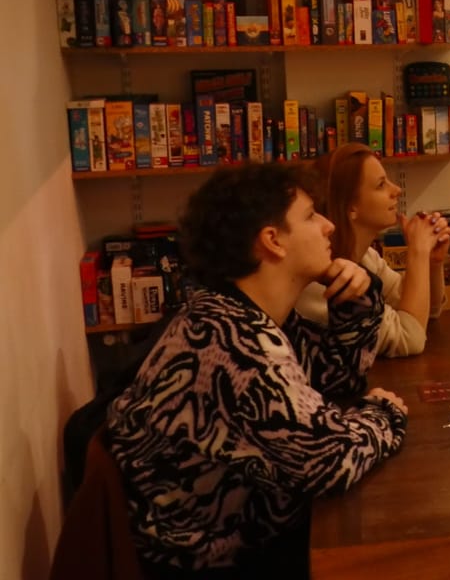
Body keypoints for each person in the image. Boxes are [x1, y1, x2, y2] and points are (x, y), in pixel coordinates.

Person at [105, 163, 409, 578]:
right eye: (309, 216)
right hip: (217, 562)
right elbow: (330, 461)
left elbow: (338, 379)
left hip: (243, 536)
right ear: (272, 241)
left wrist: (357, 301)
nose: (328, 226)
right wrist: (384, 414)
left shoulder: (236, 312)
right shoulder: (234, 344)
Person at [295, 142, 450, 357]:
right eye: (381, 185)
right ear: (351, 206)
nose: (396, 190)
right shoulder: (325, 281)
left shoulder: (366, 258)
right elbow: (410, 337)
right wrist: (418, 251)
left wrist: (432, 262)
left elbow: (424, 309)